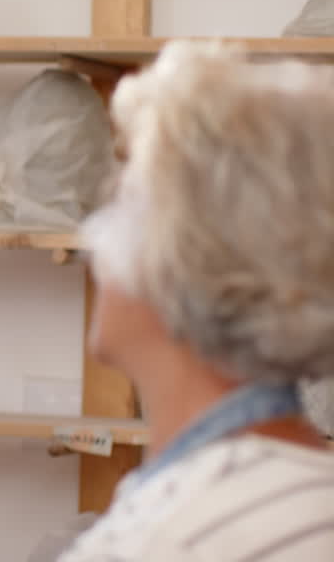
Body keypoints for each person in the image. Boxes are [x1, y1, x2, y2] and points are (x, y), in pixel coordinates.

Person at [56, 41, 334, 562]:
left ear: (189, 256)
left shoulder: (164, 541)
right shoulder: (310, 492)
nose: (94, 234)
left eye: (125, 201)